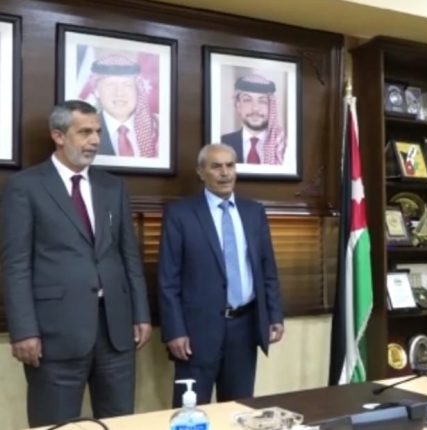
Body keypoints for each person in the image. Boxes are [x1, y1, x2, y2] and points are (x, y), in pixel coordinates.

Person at [1, 100, 151, 426]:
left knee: (119, 421)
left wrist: (141, 313)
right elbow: (16, 265)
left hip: (115, 331)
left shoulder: (113, 186)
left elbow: (128, 255)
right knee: (55, 423)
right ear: (58, 136)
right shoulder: (25, 186)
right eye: (84, 132)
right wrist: (23, 330)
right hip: (54, 333)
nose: (95, 140)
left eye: (97, 132)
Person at [158, 143, 284, 405]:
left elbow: (267, 269)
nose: (225, 173)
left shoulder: (253, 211)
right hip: (196, 332)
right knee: (191, 411)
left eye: (230, 165)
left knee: (239, 409)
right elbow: (168, 280)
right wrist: (174, 330)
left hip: (245, 327)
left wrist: (274, 315)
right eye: (216, 167)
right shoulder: (180, 214)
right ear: (201, 172)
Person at [88, 54, 159, 158]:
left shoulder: (158, 128)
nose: (119, 93)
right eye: (110, 84)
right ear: (96, 91)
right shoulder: (84, 130)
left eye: (127, 85)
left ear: (137, 90)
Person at [221, 73, 286, 165]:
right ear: (238, 105)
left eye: (262, 101)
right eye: (247, 100)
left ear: (271, 107)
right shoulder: (222, 143)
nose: (255, 108)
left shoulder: (283, 146)